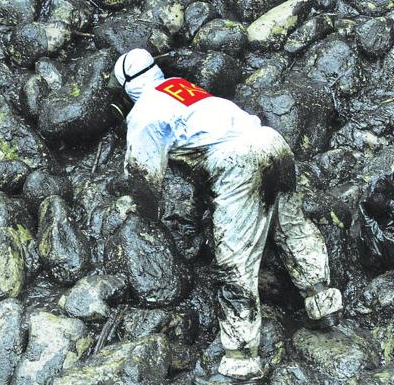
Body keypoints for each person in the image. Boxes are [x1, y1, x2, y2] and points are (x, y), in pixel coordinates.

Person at [110, 48, 343, 385]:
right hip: (271, 142)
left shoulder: (144, 112)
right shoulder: (179, 87)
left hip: (238, 162)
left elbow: (143, 177)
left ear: (127, 88)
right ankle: (323, 301)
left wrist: (143, 214)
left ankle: (241, 358)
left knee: (236, 261)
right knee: (291, 227)